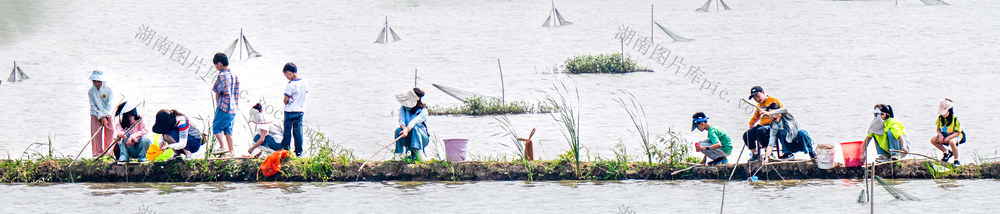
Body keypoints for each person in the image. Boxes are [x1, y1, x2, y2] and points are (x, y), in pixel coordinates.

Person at [744, 86, 783, 161]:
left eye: (758, 96)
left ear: (763, 93)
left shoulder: (773, 100)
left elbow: (781, 112)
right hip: (762, 124)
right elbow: (756, 116)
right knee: (747, 134)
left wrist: (769, 113)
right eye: (755, 99)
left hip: (772, 124)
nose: (757, 99)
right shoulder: (759, 105)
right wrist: (751, 124)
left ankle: (768, 153)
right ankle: (755, 154)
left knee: (761, 131)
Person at [211, 53, 239, 156]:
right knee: (228, 130)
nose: (216, 67)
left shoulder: (222, 76)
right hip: (233, 107)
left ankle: (223, 146)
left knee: (216, 127)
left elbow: (217, 91)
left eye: (216, 65)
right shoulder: (234, 75)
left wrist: (218, 104)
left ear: (219, 63)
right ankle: (232, 152)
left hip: (224, 106)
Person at [394, 88, 429, 162]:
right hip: (408, 135)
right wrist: (404, 129)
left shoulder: (423, 111)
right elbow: (401, 120)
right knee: (398, 131)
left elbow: (415, 121)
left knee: (415, 129)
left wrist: (407, 129)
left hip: (422, 138)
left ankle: (419, 152)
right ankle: (399, 154)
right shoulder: (404, 108)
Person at [281, 62, 307, 157]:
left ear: (289, 73)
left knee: (287, 131)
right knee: (298, 131)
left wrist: (287, 100)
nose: (287, 77)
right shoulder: (304, 83)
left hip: (289, 111)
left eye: (286, 75)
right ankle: (298, 152)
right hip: (300, 110)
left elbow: (285, 100)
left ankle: (286, 151)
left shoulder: (290, 85)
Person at [88, 70, 115, 157]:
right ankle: (97, 154)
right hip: (95, 114)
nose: (96, 83)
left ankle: (109, 153)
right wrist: (100, 116)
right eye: (94, 81)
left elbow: (110, 104)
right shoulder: (91, 91)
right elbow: (93, 105)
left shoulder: (109, 90)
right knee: (96, 134)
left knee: (110, 132)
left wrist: (106, 116)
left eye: (98, 81)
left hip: (108, 114)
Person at [930, 99, 965, 165]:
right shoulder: (940, 118)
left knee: (952, 142)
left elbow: (958, 132)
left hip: (955, 135)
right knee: (933, 140)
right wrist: (940, 135)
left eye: (945, 112)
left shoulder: (955, 119)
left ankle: (956, 160)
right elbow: (938, 129)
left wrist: (949, 138)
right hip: (945, 134)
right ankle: (946, 152)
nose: (944, 115)